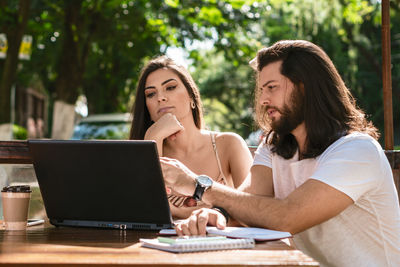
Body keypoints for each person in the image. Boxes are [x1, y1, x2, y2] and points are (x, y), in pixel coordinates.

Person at [160, 40, 400, 266]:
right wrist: (215, 215)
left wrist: (199, 185)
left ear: (305, 87)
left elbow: (288, 217)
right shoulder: (275, 147)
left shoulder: (356, 150)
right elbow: (248, 199)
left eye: (271, 88)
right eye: (262, 89)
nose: (263, 100)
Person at [130, 56, 253, 219]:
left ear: (191, 97)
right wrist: (152, 138)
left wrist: (180, 212)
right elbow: (142, 215)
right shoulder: (145, 147)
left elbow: (254, 209)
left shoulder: (229, 144)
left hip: (223, 244)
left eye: (170, 87)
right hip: (158, 244)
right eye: (151, 94)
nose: (160, 97)